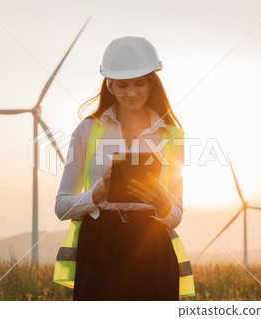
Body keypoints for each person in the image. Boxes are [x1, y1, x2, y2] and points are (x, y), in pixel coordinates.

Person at [53, 36, 195, 301]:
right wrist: (96, 194)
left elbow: (176, 214)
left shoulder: (173, 136)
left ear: (152, 82)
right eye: (122, 85)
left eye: (139, 83)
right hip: (99, 246)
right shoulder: (86, 131)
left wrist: (162, 203)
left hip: (151, 247)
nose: (131, 92)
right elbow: (61, 207)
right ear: (109, 84)